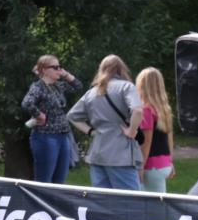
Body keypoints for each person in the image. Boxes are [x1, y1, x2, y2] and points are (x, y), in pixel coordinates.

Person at [67, 55, 144, 191]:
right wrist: (132, 130)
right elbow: (137, 110)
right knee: (130, 202)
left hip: (97, 153)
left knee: (103, 202)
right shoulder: (126, 87)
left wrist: (90, 131)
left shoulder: (91, 92)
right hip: (121, 154)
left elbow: (72, 116)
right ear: (122, 69)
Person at [20, 55, 82, 184]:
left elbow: (78, 86)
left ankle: (54, 204)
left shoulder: (58, 86)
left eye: (60, 67)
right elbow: (27, 103)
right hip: (46, 137)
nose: (59, 70)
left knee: (60, 178)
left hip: (63, 136)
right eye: (55, 67)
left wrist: (65, 74)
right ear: (44, 70)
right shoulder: (38, 87)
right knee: (44, 178)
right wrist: (39, 115)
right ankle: (40, 204)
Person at [136, 67, 175, 193]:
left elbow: (146, 143)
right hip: (164, 164)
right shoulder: (164, 109)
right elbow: (169, 139)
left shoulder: (146, 111)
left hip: (151, 167)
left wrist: (140, 167)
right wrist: (170, 161)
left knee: (153, 208)